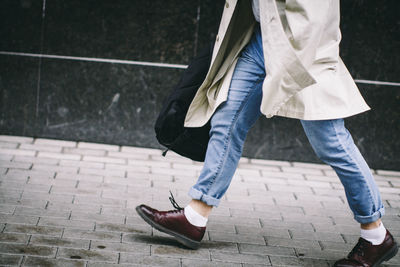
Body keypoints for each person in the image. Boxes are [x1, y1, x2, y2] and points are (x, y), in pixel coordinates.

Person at [136, 0, 398, 266]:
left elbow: (314, 17)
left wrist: (287, 66)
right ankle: (195, 216)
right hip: (262, 40)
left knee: (330, 143)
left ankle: (375, 234)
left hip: (302, 51)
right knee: (227, 121)